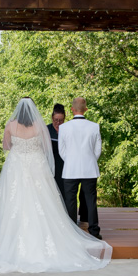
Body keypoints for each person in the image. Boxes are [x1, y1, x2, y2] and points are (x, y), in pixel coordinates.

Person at [0, 98, 112, 273]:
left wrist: (19, 148)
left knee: (15, 199)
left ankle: (11, 235)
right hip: (37, 166)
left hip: (17, 165)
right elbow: (46, 148)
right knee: (44, 200)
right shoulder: (39, 125)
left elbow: (6, 146)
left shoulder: (11, 125)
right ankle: (80, 232)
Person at [59, 97, 103, 239]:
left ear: (72, 109)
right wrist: (88, 160)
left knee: (70, 200)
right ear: (86, 109)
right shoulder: (94, 126)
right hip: (89, 168)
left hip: (70, 168)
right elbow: (98, 150)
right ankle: (94, 231)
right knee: (91, 200)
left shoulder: (64, 127)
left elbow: (62, 151)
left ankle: (72, 232)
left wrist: (72, 160)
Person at [48, 103, 89, 221]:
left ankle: (67, 219)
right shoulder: (47, 130)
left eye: (61, 120)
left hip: (67, 164)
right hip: (51, 164)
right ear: (52, 118)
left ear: (65, 118)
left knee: (67, 194)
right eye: (56, 120)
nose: (58, 123)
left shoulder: (68, 129)